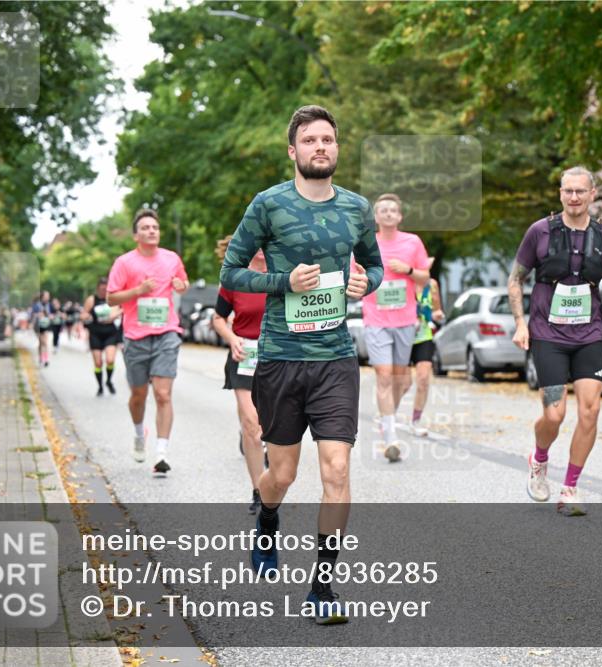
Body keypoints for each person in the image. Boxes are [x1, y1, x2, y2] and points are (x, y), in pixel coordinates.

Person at [220, 105, 383, 624]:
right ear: (293, 150)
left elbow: (375, 265)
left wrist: (366, 283)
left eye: (328, 139)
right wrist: (283, 283)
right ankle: (267, 518)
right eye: (310, 140)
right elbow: (231, 273)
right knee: (283, 474)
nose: (320, 147)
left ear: (337, 148)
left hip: (335, 359)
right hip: (282, 359)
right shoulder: (268, 205)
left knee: (337, 468)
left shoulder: (357, 208)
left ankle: (322, 586)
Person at [508, 166, 602, 516]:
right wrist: (520, 323)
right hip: (548, 335)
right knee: (554, 413)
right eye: (568, 191)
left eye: (580, 191)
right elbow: (516, 279)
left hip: (589, 334)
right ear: (560, 194)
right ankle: (539, 458)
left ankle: (570, 488)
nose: (574, 197)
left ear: (593, 194)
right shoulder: (540, 231)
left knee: (590, 410)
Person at [107, 208, 189, 475]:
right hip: (135, 335)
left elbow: (183, 282)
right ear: (136, 235)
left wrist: (181, 286)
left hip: (167, 332)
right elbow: (111, 298)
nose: (151, 231)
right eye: (145, 228)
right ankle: (138, 433)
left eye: (155, 227)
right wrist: (138, 291)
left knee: (163, 394)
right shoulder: (124, 263)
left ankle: (161, 453)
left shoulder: (171, 258)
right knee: (138, 395)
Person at [359, 194, 430, 461]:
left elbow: (425, 277)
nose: (388, 213)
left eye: (393, 210)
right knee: (384, 376)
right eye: (383, 210)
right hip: (376, 320)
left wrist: (408, 270)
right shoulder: (366, 244)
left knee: (402, 379)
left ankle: (386, 417)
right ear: (376, 217)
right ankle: (390, 437)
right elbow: (354, 274)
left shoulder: (413, 242)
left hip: (405, 320)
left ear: (399, 216)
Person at [211, 236, 268, 515]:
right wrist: (232, 338)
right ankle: (259, 491)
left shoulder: (286, 273)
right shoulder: (234, 279)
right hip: (244, 355)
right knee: (252, 425)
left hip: (279, 357)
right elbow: (218, 318)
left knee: (271, 425)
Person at [407, 263, 445, 437]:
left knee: (423, 378)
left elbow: (437, 311)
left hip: (423, 336)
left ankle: (415, 421)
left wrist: (437, 315)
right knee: (403, 383)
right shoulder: (403, 280)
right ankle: (388, 416)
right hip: (403, 336)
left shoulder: (432, 284)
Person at [82, 277, 124, 397]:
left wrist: (114, 315)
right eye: (101, 289)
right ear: (97, 289)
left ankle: (109, 381)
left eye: (106, 289)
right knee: (98, 363)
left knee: (110, 360)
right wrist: (86, 317)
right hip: (95, 333)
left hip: (110, 332)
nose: (103, 292)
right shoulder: (92, 299)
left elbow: (121, 310)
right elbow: (83, 314)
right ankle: (100, 386)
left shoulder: (113, 298)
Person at [30, 291, 54, 367]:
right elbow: (32, 315)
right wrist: (38, 315)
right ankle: (41, 358)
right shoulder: (36, 305)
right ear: (42, 297)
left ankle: (45, 359)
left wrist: (51, 316)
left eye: (48, 296)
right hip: (37, 326)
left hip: (45, 325)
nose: (48, 297)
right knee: (42, 342)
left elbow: (52, 314)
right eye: (47, 296)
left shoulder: (49, 305)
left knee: (45, 343)